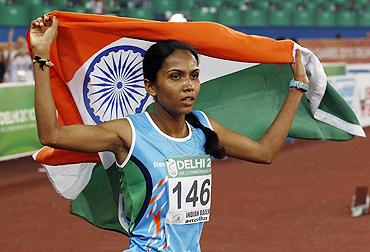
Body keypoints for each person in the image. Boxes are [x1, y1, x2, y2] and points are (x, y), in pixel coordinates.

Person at [30, 15, 309, 251]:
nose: (189, 85)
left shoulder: (203, 127)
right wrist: (42, 55)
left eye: (194, 75)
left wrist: (298, 87)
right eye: (176, 76)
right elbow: (52, 135)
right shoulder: (129, 133)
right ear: (151, 87)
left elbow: (265, 152)